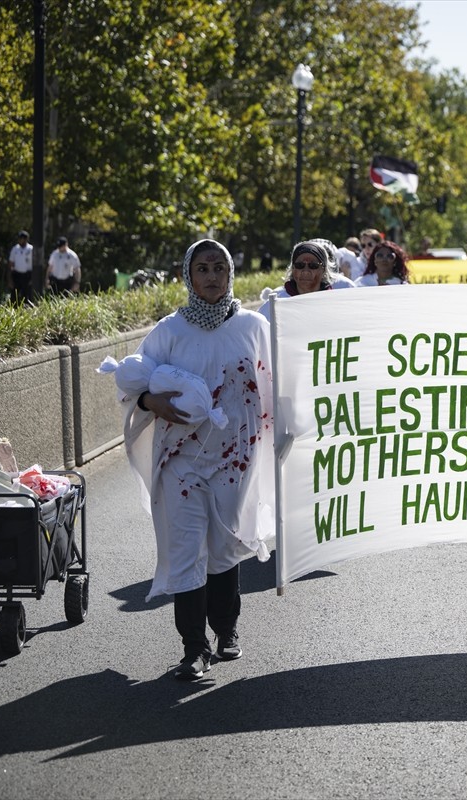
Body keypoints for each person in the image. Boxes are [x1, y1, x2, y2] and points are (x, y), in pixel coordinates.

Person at [122, 239, 275, 679]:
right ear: (188, 276)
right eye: (202, 268)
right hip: (181, 460)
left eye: (219, 268)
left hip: (235, 459)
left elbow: (275, 380)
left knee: (224, 546)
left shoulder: (252, 327)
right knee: (186, 550)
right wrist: (151, 402)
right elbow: (133, 382)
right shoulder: (168, 331)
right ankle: (194, 647)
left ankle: (226, 630)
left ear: (230, 275)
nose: (211, 276)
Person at [258, 238, 356, 316]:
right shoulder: (274, 304)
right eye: (300, 265)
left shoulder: (336, 305)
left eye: (313, 265)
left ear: (324, 270)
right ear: (293, 269)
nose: (305, 271)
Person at [8, 231, 35, 304]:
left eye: (22, 239)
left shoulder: (31, 249)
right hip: (17, 275)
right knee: (14, 296)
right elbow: (11, 263)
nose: (20, 240)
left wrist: (33, 277)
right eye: (19, 239)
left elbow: (34, 264)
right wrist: (10, 278)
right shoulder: (15, 249)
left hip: (27, 275)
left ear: (26, 239)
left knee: (26, 295)